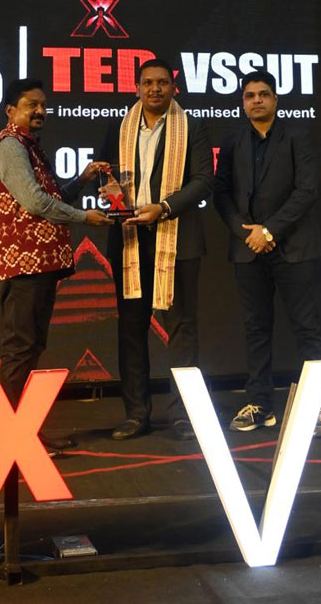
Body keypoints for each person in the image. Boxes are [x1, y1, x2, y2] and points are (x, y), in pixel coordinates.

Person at [213, 70, 321, 437]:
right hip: (248, 250)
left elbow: (306, 191)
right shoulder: (233, 142)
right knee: (256, 329)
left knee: (307, 327)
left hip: (294, 247)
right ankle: (260, 404)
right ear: (243, 103)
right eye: (250, 95)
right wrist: (245, 232)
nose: (257, 100)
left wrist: (268, 231)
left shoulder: (297, 137)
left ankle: (320, 408)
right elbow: (221, 193)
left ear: (275, 100)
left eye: (263, 94)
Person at [0, 78, 110, 426]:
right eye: (31, 105)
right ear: (11, 110)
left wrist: (83, 179)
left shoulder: (30, 146)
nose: (40, 111)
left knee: (31, 346)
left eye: (42, 105)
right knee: (20, 348)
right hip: (24, 266)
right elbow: (36, 203)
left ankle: (22, 434)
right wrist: (85, 217)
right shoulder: (11, 147)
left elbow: (50, 200)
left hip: (39, 266)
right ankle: (9, 434)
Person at [100, 58, 213, 442]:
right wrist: (109, 191)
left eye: (162, 82)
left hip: (177, 238)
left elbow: (204, 181)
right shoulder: (120, 127)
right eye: (147, 83)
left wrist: (163, 208)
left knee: (182, 329)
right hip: (130, 240)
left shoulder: (191, 126)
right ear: (137, 88)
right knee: (131, 329)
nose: (155, 89)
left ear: (173, 87)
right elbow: (105, 172)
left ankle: (183, 414)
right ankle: (136, 414)